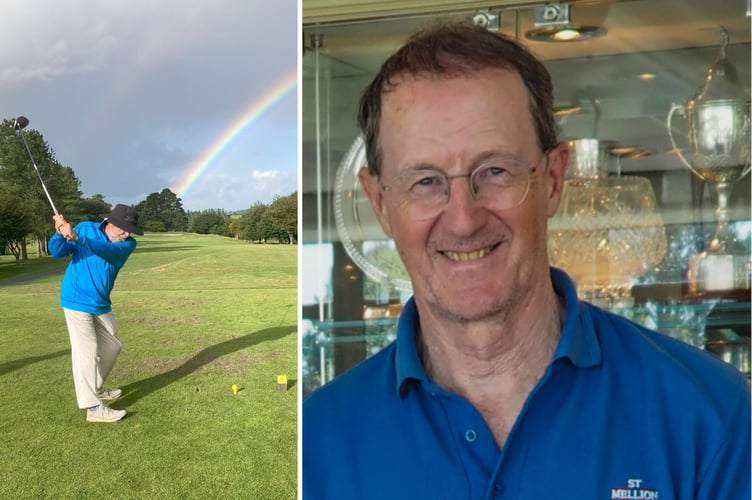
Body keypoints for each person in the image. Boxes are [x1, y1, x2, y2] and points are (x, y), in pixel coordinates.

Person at [303, 22, 750, 499]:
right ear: (379, 202)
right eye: (425, 181)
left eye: (495, 171)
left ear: (554, 179)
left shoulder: (709, 416)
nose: (463, 219)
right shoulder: (316, 445)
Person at [50, 204, 144, 423]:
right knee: (87, 351)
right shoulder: (85, 228)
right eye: (124, 228)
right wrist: (59, 233)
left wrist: (77, 238)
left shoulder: (127, 245)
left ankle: (96, 388)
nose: (127, 233)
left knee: (113, 346)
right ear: (110, 222)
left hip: (101, 303)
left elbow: (105, 250)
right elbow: (57, 251)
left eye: (130, 229)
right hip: (75, 298)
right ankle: (92, 407)